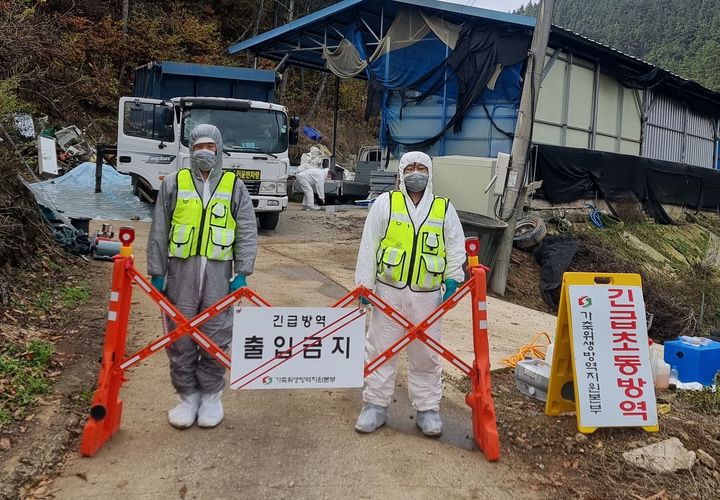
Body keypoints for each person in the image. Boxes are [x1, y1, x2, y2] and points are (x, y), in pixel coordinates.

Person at [147, 124, 258, 429]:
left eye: (210, 147)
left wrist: (242, 272)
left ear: (219, 150)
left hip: (219, 274)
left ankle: (210, 396)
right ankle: (186, 397)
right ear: (191, 150)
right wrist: (157, 271)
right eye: (199, 147)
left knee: (216, 334)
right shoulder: (173, 183)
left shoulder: (234, 186)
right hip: (180, 273)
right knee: (179, 334)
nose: (205, 153)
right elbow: (159, 229)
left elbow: (247, 230)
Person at [354, 151, 466, 437]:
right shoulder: (386, 203)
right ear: (401, 173)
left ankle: (428, 409)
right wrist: (364, 285)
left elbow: (455, 246)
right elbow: (369, 244)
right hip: (387, 293)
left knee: (426, 354)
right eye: (410, 168)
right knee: (379, 350)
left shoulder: (443, 208)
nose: (416, 173)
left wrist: (453, 279)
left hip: (427, 296)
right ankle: (374, 406)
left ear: (430, 173)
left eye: (421, 167)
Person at [295, 146, 327, 211]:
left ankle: (304, 206)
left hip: (303, 175)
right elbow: (320, 186)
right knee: (309, 191)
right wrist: (322, 198)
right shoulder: (306, 156)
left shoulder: (317, 160)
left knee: (307, 191)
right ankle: (310, 206)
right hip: (302, 176)